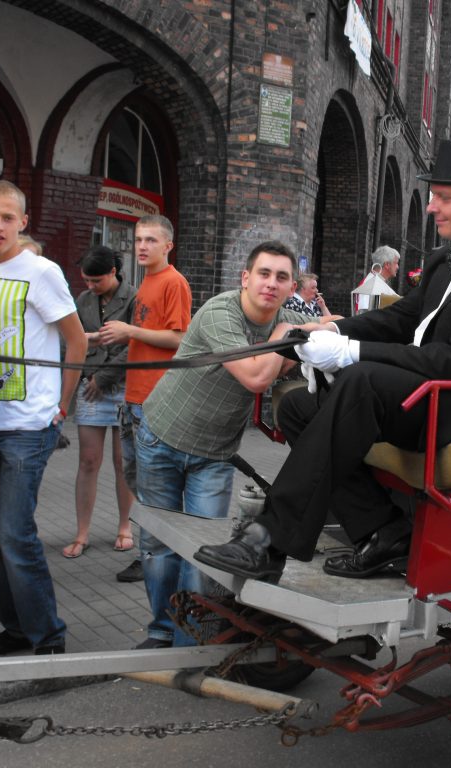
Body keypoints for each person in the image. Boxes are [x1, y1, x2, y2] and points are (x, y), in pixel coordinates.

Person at [196, 140, 451, 583]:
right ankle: (385, 531)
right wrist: (329, 333)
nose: (432, 207)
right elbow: (400, 319)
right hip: (439, 394)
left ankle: (269, 540)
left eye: (444, 197)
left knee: (360, 380)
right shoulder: (443, 261)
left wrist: (350, 353)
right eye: (433, 196)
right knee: (298, 407)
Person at [136, 241, 312, 647]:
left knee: (202, 553)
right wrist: (285, 337)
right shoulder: (221, 312)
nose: (271, 283)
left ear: (291, 288)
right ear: (245, 278)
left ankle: (189, 645)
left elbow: (329, 324)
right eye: (264, 274)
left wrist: (323, 328)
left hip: (214, 454)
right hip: (161, 437)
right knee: (159, 545)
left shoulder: (287, 317)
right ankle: (161, 632)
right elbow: (256, 377)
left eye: (281, 277)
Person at [0, 181, 87, 656]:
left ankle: (48, 635)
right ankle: (16, 628)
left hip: (28, 426)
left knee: (16, 536)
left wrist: (63, 404)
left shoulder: (41, 271)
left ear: (22, 221)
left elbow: (77, 340)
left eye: (7, 217)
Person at [97, 214, 191, 583]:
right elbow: (145, 334)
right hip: (133, 397)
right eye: (138, 239)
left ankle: (156, 556)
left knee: (154, 489)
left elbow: (179, 338)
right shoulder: (147, 281)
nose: (142, 246)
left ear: (168, 245)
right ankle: (153, 552)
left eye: (151, 240)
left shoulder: (173, 282)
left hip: (155, 400)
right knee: (138, 482)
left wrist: (130, 331)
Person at [62, 245, 138, 559]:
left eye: (97, 280)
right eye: (87, 281)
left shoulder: (134, 298)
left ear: (113, 272)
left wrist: (104, 378)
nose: (91, 286)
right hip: (90, 384)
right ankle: (82, 532)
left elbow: (136, 344)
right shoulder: (83, 300)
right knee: (88, 461)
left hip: (122, 385)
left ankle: (125, 527)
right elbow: (75, 339)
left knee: (123, 462)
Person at [355, 245, 400, 312]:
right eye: (396, 263)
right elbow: (364, 313)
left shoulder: (376, 281)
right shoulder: (370, 284)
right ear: (387, 265)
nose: (397, 267)